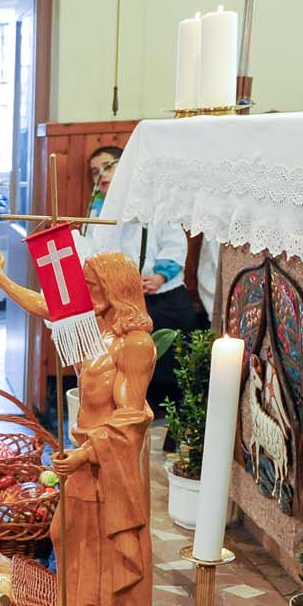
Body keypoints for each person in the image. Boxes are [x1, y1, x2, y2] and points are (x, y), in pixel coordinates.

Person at [0, 244, 160, 606]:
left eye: (94, 285)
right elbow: (48, 306)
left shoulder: (134, 346)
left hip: (109, 465)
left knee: (102, 549)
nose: (85, 292)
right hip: (82, 457)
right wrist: (2, 280)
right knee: (67, 536)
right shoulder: (91, 328)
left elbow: (132, 419)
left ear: (115, 289)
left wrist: (87, 454)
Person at [81, 145, 202, 412]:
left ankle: (172, 415)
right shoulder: (97, 214)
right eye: (95, 171)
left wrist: (159, 275)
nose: (102, 174)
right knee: (134, 370)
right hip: (124, 303)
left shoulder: (154, 205)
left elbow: (174, 242)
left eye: (108, 167)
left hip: (163, 296)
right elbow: (94, 251)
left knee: (170, 365)